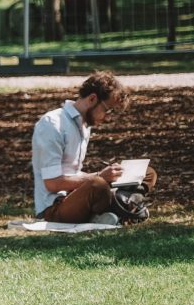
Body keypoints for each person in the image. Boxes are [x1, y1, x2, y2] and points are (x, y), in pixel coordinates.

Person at [31, 71, 157, 224]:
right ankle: (122, 208)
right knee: (98, 185)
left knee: (147, 173)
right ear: (92, 99)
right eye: (108, 110)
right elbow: (53, 183)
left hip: (78, 193)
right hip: (55, 207)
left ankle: (122, 206)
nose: (108, 118)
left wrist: (111, 175)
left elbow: (73, 172)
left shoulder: (84, 125)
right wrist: (99, 176)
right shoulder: (52, 124)